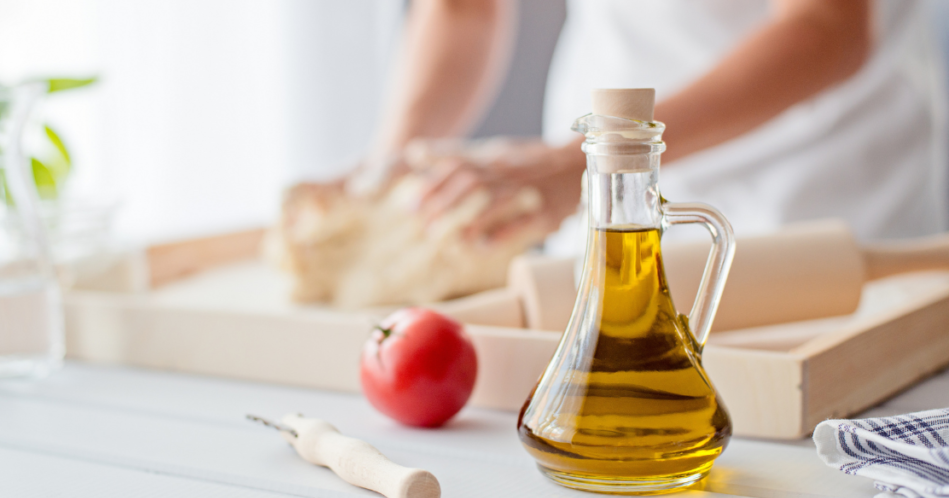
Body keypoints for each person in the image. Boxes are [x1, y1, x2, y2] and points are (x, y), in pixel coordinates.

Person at [355, 0, 948, 254]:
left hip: (818, 196)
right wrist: (392, 166)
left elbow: (827, 27)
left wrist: (589, 159)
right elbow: (463, 9)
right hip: (601, 199)